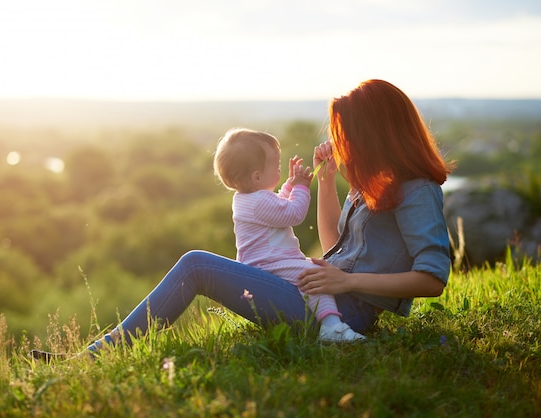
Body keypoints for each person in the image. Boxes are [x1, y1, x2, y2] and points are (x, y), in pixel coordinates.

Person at [30, 79, 452, 362]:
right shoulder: (371, 185)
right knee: (198, 264)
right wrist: (326, 182)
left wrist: (347, 283)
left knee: (196, 264)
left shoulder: (417, 189)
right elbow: (334, 247)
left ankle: (95, 356)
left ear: (377, 132)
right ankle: (95, 354)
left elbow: (433, 278)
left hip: (348, 313)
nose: (343, 143)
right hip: (323, 297)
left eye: (348, 134)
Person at [212, 128, 364, 342]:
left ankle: (325, 319)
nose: (280, 168)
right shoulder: (258, 202)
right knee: (312, 274)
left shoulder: (250, 199)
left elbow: (278, 205)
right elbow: (293, 213)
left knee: (310, 273)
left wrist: (291, 184)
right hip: (267, 264)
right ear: (257, 177)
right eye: (276, 165)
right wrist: (302, 188)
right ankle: (331, 326)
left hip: (264, 262)